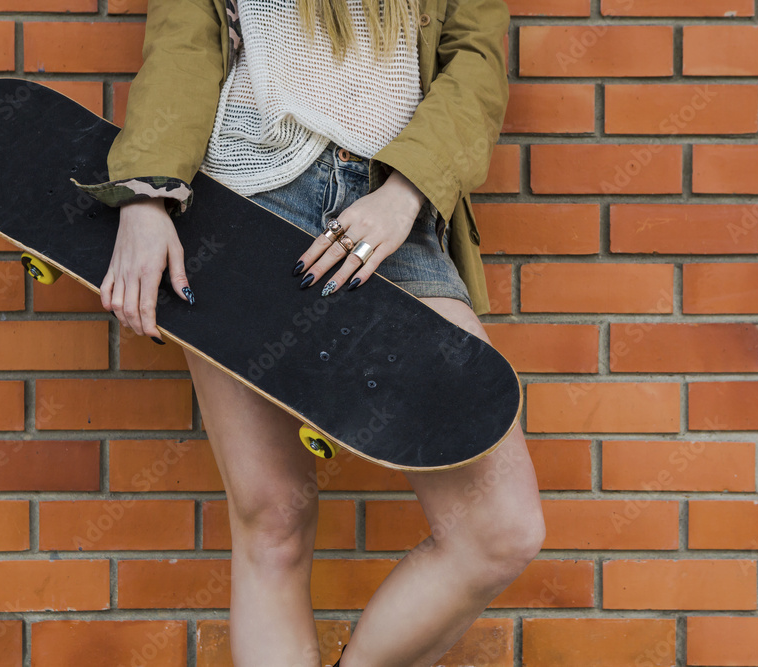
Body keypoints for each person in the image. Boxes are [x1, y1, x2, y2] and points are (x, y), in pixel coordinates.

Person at [74, 0, 545, 664]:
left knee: (501, 525)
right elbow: (186, 41)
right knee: (273, 525)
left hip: (392, 212)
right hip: (243, 203)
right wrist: (147, 197)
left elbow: (476, 60)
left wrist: (406, 193)